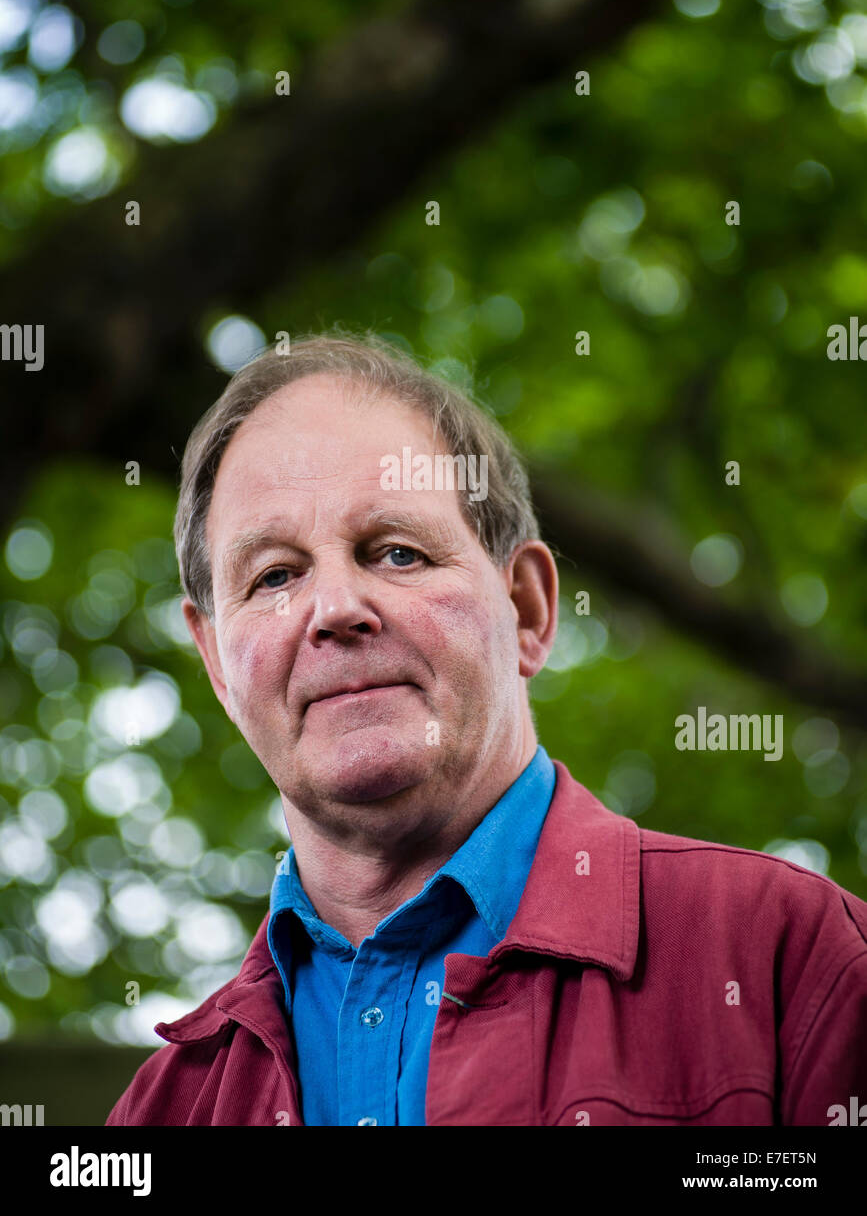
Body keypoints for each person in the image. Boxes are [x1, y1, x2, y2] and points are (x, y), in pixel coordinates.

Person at [106, 330, 867, 1126]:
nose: (332, 609)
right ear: (219, 665)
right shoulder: (160, 1112)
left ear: (529, 608)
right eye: (274, 576)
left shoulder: (792, 962)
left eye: (396, 552)